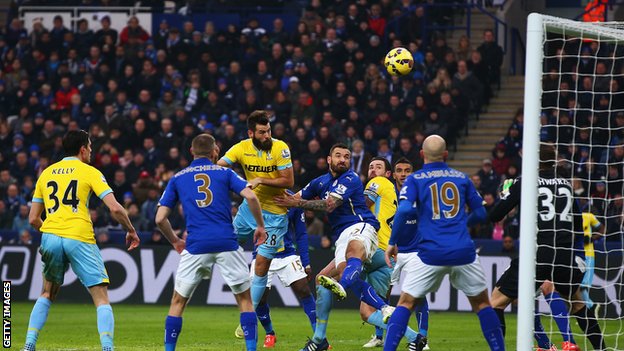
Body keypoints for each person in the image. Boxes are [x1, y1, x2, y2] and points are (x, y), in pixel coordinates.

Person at [384, 135, 504, 351]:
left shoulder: (415, 179)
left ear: (422, 155)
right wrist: (462, 223)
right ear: (446, 155)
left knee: (405, 303)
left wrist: (393, 242)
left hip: (430, 252)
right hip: (463, 251)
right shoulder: (462, 178)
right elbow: (481, 213)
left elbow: (402, 210)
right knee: (483, 304)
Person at [23, 130, 140, 351]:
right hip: (79, 236)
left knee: (47, 292)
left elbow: (32, 219)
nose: (91, 151)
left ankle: (29, 344)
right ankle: (107, 348)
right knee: (100, 296)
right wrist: (131, 230)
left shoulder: (46, 173)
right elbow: (115, 208)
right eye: (90, 147)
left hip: (50, 236)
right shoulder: (89, 172)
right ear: (82, 149)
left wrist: (51, 231)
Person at [274, 143, 394, 351]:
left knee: (352, 254)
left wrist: (297, 204)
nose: (343, 160)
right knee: (322, 281)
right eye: (338, 156)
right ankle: (320, 338)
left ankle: (345, 287)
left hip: (361, 226)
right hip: (341, 236)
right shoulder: (319, 182)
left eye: (346, 157)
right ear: (329, 160)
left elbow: (329, 204)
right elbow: (293, 198)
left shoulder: (351, 178)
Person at [489, 143, 606, 351]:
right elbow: (578, 223)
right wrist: (577, 253)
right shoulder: (566, 184)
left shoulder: (524, 182)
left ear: (533, 159)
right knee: (577, 302)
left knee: (496, 301)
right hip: (565, 254)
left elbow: (495, 216)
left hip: (537, 252)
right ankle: (601, 348)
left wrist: (505, 195)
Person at [155, 133, 267, 351]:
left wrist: (175, 241)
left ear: (191, 151)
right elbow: (252, 197)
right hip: (226, 242)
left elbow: (159, 218)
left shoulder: (178, 177)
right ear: (215, 151)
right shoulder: (225, 172)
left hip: (196, 245)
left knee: (178, 302)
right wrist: (260, 226)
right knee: (244, 300)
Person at [217, 110, 294, 314]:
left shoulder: (280, 148)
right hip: (249, 210)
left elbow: (288, 180)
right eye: (261, 132)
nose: (267, 135)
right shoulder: (241, 148)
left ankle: (247, 316)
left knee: (261, 265)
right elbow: (219, 166)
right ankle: (239, 283)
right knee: (226, 244)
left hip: (275, 215)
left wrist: (260, 179)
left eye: (268, 131)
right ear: (251, 133)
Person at [234, 197, 316, 348]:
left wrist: (307, 262)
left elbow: (301, 234)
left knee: (303, 289)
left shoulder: (292, 200)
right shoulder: (256, 198)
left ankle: (319, 336)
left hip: (287, 254)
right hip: (261, 254)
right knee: (260, 298)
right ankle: (270, 333)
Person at [360, 157, 425, 349]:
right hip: (388, 250)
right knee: (372, 308)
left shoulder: (378, 183)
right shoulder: (393, 192)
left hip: (375, 248)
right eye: (370, 167)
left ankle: (319, 335)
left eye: (378, 167)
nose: (373, 170)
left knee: (333, 275)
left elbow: (362, 204)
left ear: (388, 173)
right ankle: (414, 337)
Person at [580, 207, 605, 310]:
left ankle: (590, 307)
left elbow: (602, 228)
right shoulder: (571, 218)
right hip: (576, 254)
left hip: (588, 255)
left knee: (582, 285)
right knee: (577, 285)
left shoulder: (588, 216)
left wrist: (592, 238)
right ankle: (591, 307)